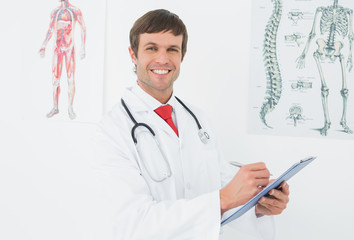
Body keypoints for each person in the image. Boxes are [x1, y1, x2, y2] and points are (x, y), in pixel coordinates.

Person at [97, 9, 289, 240]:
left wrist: (259, 206)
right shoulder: (111, 130)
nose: (162, 59)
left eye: (172, 50)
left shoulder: (198, 120)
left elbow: (224, 186)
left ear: (182, 55)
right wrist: (223, 198)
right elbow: (133, 220)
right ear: (133, 54)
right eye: (151, 48)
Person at [39, 0, 86, 120]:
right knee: (55, 79)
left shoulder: (75, 11)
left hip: (69, 48)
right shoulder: (55, 12)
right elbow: (50, 29)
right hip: (57, 48)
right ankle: (55, 107)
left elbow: (83, 27)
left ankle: (70, 107)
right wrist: (44, 45)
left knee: (70, 78)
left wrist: (83, 47)